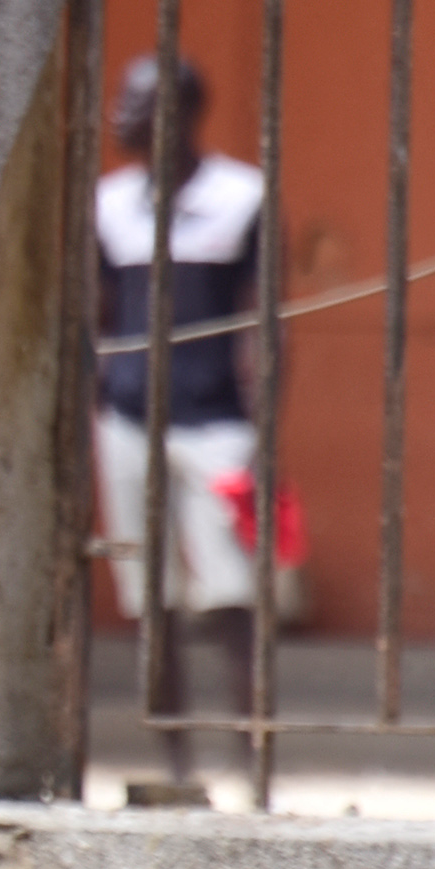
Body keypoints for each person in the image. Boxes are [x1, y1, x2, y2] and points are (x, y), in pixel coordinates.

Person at [94, 51, 271, 780]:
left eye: (137, 104)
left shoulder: (242, 197)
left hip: (219, 425)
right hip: (128, 419)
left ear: (178, 113)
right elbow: (93, 318)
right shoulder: (108, 203)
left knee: (233, 598)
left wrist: (267, 435)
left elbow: (269, 321)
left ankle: (253, 758)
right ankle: (177, 768)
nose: (119, 117)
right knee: (150, 604)